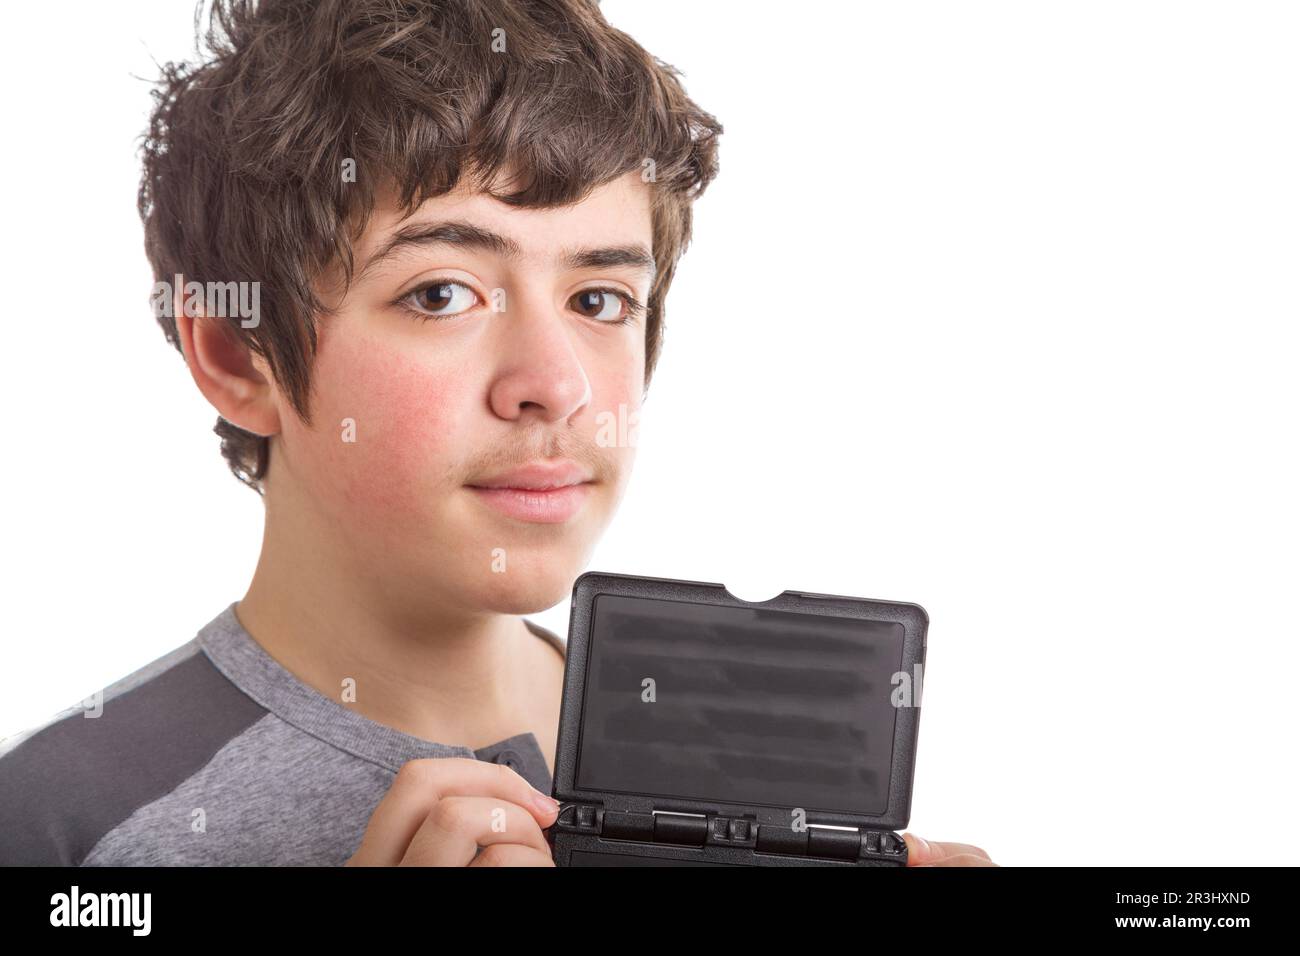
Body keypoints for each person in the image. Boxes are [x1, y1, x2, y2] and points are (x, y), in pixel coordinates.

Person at [0, 0, 993, 868]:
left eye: (599, 297)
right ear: (234, 354)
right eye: (441, 292)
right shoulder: (64, 825)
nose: (557, 386)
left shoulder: (750, 758)